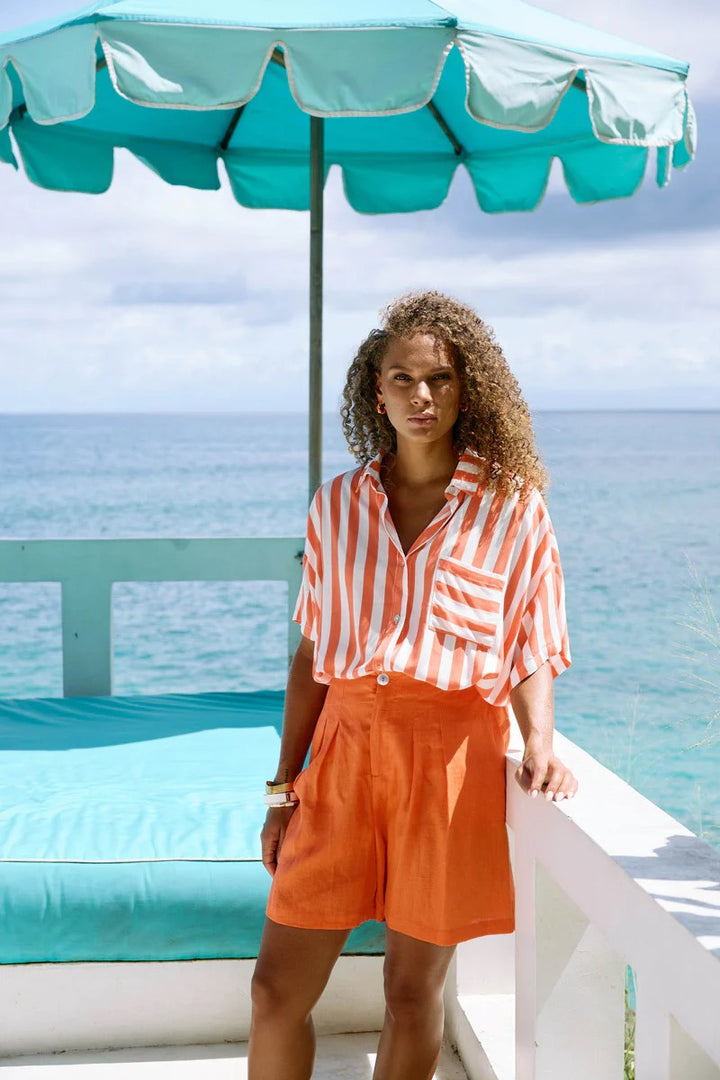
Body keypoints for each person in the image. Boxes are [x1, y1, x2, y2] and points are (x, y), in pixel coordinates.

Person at [248, 290, 579, 1080]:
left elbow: (531, 641)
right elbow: (312, 655)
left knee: (409, 991)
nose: (421, 397)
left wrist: (539, 740)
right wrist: (279, 789)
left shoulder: (512, 506)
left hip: (449, 762)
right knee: (273, 990)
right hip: (339, 756)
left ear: (471, 389)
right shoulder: (336, 505)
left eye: (441, 379)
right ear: (378, 391)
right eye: (403, 379)